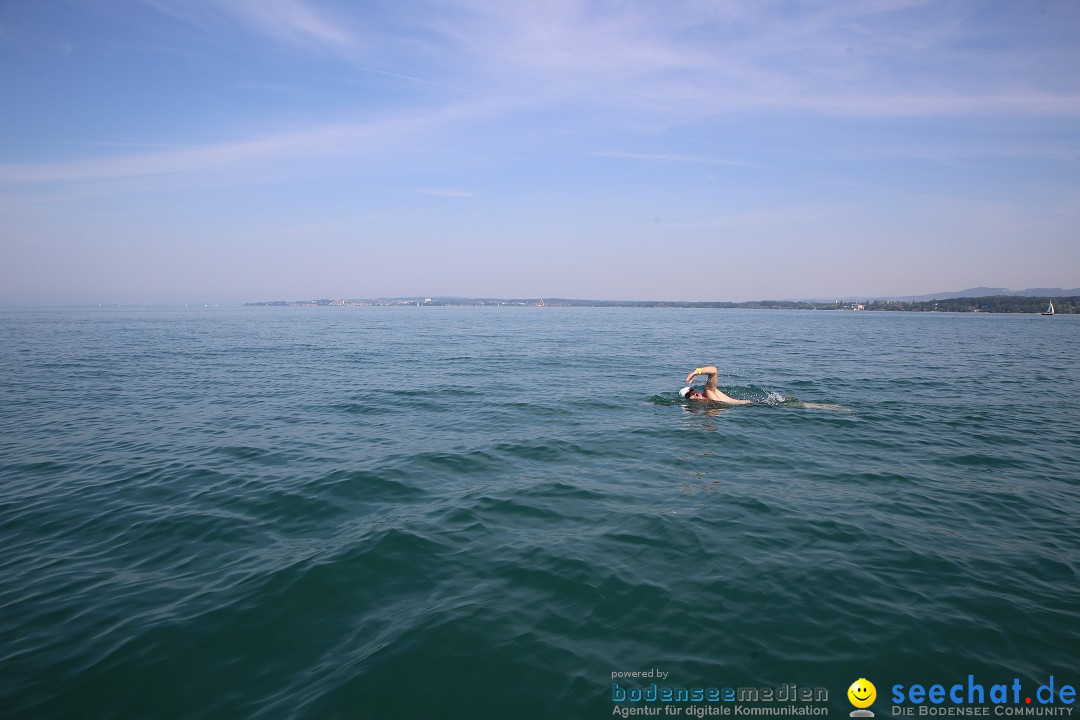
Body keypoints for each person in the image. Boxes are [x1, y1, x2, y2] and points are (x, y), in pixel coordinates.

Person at [679, 365, 750, 406]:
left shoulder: (708, 391)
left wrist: (697, 372)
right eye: (688, 395)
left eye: (691, 390)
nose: (692, 393)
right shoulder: (705, 403)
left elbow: (714, 371)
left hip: (749, 405)